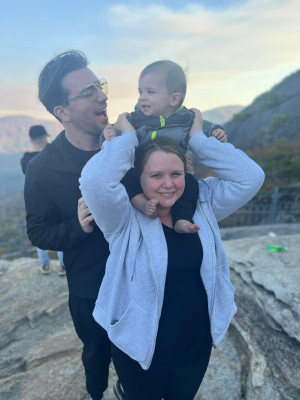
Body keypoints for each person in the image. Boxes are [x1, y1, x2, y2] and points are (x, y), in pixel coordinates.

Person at [79, 109, 265, 400]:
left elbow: (251, 177)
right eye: (156, 175)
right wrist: (127, 138)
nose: (168, 184)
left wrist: (199, 139)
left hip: (195, 345)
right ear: (138, 177)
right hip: (140, 350)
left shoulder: (202, 202)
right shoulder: (123, 215)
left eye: (176, 174)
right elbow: (94, 182)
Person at [23, 51, 124, 400]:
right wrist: (76, 226)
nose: (102, 95)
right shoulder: (42, 170)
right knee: (96, 357)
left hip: (139, 278)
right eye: (88, 92)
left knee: (140, 360)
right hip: (89, 287)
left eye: (99, 85)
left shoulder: (124, 146)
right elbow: (37, 231)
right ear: (61, 112)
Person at [101, 60, 227, 234]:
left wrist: (216, 131)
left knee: (191, 183)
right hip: (142, 173)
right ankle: (143, 205)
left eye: (150, 92)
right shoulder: (135, 119)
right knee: (127, 177)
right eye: (140, 91)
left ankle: (182, 219)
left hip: (174, 174)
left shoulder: (185, 119)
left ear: (174, 99)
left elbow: (204, 126)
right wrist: (108, 136)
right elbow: (114, 138)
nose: (142, 97)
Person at [21, 125, 65, 275]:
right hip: (57, 199)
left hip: (37, 202)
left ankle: (45, 265)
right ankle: (62, 266)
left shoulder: (25, 160)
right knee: (61, 229)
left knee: (40, 231)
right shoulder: (51, 154)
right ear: (44, 138)